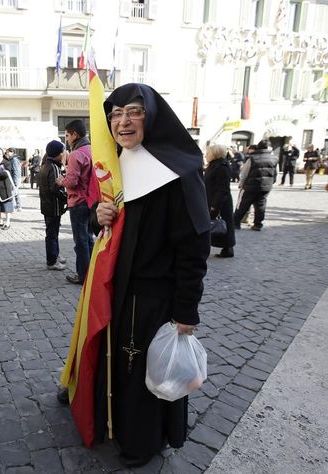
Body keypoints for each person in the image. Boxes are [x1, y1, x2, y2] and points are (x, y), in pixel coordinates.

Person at [85, 83, 210, 466]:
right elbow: (109, 228)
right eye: (116, 113)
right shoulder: (117, 165)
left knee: (143, 373)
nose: (123, 121)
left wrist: (186, 311)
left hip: (154, 297)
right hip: (115, 290)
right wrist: (97, 217)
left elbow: (194, 245)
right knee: (118, 366)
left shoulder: (179, 172)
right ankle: (114, 424)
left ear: (151, 116)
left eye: (134, 111)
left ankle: (142, 440)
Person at [56, 120, 94, 285]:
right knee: (89, 239)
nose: (66, 139)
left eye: (67, 135)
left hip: (78, 201)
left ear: (75, 135)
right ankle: (93, 273)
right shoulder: (91, 150)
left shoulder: (76, 154)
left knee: (80, 242)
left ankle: (83, 275)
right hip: (91, 200)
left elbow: (71, 181)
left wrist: (60, 181)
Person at [233, 139, 278, 231]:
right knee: (261, 205)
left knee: (243, 204)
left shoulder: (252, 158)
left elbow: (245, 173)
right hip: (265, 186)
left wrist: (241, 183)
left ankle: (236, 223)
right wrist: (271, 182)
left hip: (250, 185)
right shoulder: (274, 158)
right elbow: (275, 173)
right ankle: (258, 224)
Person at [38, 140, 67, 271]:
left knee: (52, 232)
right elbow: (54, 188)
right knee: (52, 234)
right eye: (62, 152)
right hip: (53, 206)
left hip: (46, 205)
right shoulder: (54, 168)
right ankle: (52, 260)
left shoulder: (45, 165)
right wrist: (66, 199)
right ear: (57, 154)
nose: (64, 154)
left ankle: (55, 254)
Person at [204, 144, 236, 258]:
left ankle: (228, 248)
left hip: (220, 202)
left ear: (214, 154)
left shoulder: (221, 167)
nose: (206, 155)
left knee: (223, 225)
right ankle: (225, 247)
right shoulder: (213, 165)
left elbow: (222, 189)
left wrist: (215, 205)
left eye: (208, 153)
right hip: (213, 199)